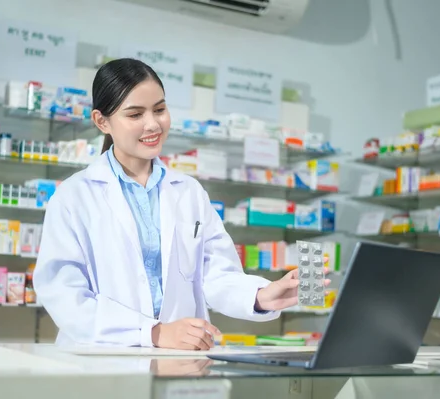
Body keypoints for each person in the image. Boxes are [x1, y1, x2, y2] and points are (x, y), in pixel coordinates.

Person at [33, 58, 330, 350]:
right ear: (102, 121)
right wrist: (153, 333)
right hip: (103, 359)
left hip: (181, 360)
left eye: (160, 109)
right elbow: (63, 295)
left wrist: (262, 295)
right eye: (135, 114)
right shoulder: (75, 196)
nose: (153, 124)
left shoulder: (189, 192)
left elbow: (215, 274)